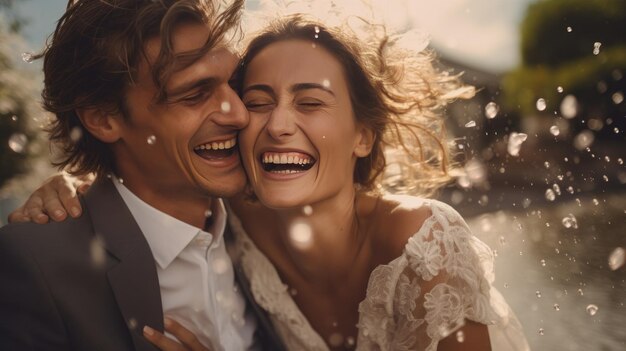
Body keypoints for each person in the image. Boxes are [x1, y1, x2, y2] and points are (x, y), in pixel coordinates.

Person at [9, 14, 530, 351]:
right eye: (257, 99)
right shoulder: (240, 214)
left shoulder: (421, 244)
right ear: (103, 119)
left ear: (363, 135)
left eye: (310, 102)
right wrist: (76, 180)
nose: (241, 115)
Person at [0, 0, 284, 350]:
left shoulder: (271, 218)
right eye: (195, 94)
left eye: (235, 81)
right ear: (103, 119)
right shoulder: (35, 266)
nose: (239, 114)